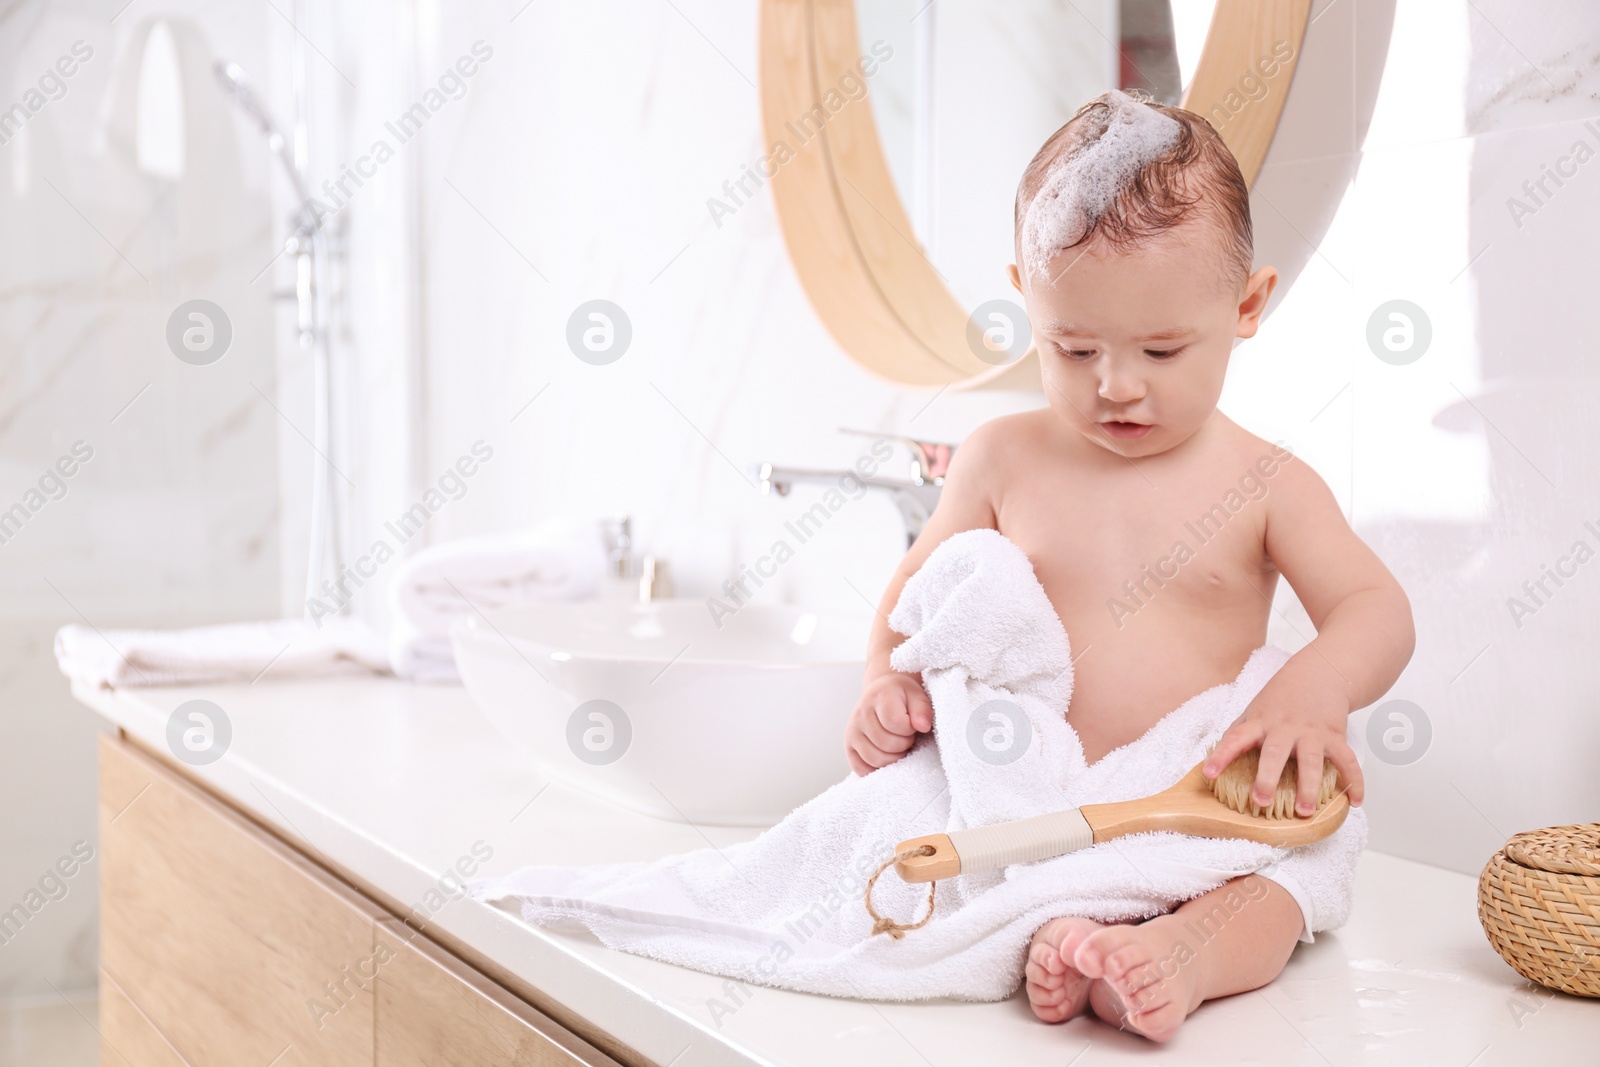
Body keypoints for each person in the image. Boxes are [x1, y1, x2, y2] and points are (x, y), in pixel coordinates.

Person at [842, 89, 1415, 1042]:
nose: (1116, 384)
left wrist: (1314, 688)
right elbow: (918, 598)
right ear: (1026, 295)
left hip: (1191, 812)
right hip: (1031, 812)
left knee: (1292, 873)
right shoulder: (1000, 457)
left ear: (1246, 307)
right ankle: (1051, 922)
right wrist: (879, 684)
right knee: (904, 831)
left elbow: (1374, 605)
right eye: (1071, 347)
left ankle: (1183, 953)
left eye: (1160, 347)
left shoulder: (1266, 482)